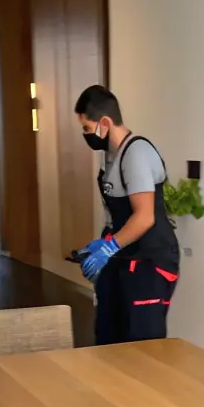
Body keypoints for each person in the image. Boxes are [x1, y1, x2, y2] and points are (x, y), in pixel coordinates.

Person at [73, 85, 181, 344]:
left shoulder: (136, 154)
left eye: (88, 128)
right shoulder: (111, 155)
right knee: (108, 335)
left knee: (141, 345)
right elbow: (119, 213)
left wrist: (109, 247)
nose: (86, 135)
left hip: (150, 263)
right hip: (124, 258)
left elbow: (145, 217)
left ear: (105, 122)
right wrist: (102, 243)